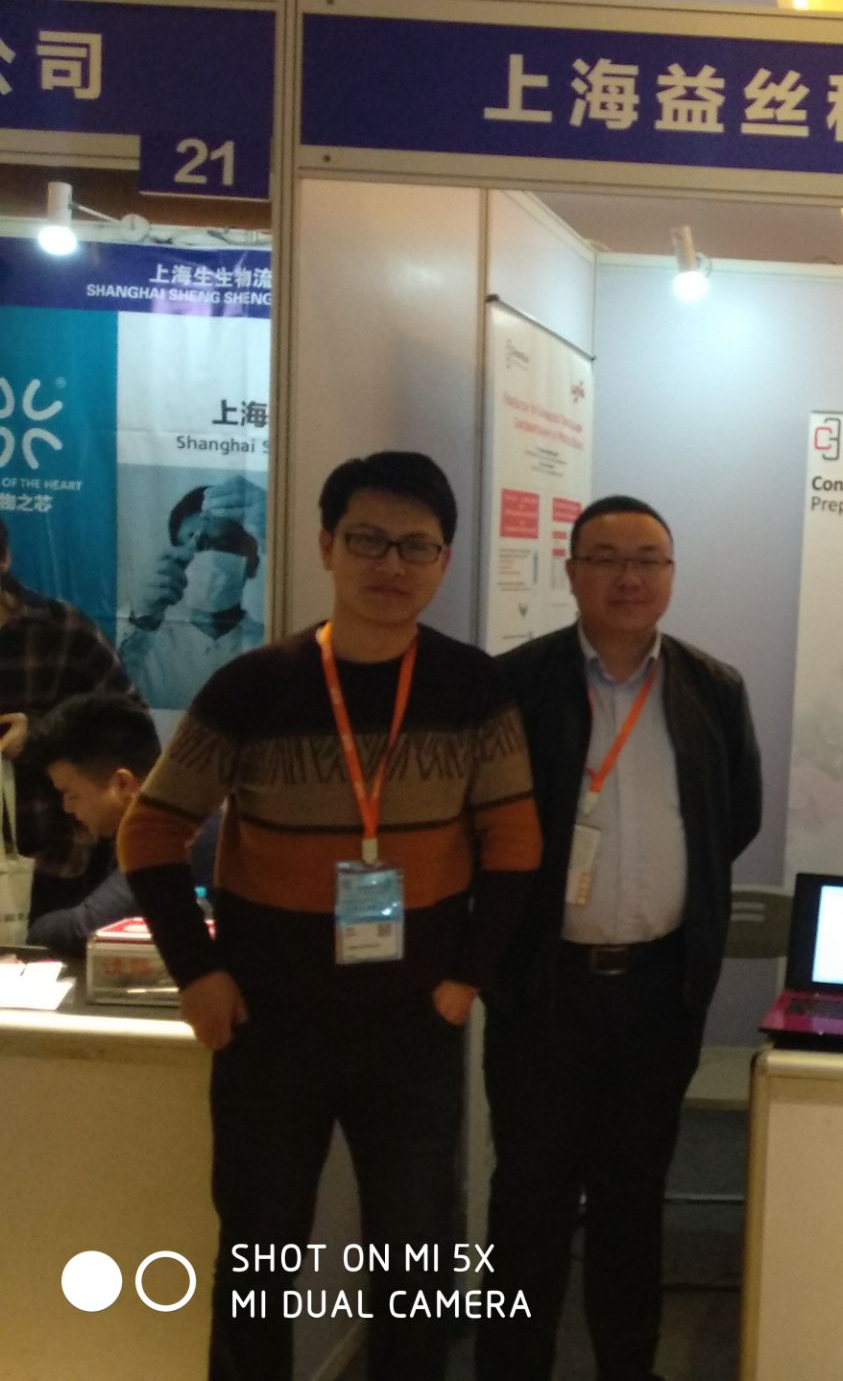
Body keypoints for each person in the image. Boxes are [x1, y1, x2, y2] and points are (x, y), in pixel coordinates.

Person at [119, 452, 543, 1381]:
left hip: (413, 1025)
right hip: (268, 1024)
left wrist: (465, 980)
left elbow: (515, 843)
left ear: (443, 560)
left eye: (416, 546)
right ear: (324, 545)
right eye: (368, 540)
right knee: (259, 1256)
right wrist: (198, 972)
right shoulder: (253, 687)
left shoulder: (473, 688)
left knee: (415, 1262)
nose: (391, 564)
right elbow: (148, 831)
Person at [479, 495, 761, 1381]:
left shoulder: (714, 688)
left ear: (671, 575)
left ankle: (629, 1368)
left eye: (648, 560)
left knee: (633, 1199)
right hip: (543, 990)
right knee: (528, 1201)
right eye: (605, 558)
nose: (628, 577)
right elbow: (480, 827)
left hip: (659, 990)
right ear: (571, 573)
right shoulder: (515, 684)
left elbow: (734, 819)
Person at [0, 515, 140, 919]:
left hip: (52, 857)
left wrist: (37, 734)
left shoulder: (64, 631)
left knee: (51, 949)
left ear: (4, 559)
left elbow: (132, 730)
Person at [21, 692, 217, 956]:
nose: (67, 807)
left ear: (122, 784)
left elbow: (80, 930)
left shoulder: (173, 827)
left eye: (70, 793)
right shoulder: (180, 807)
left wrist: (35, 929)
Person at [121, 475, 268, 709]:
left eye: (223, 544)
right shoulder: (144, 644)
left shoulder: (270, 642)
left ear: (252, 562)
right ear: (174, 558)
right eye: (194, 542)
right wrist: (142, 620)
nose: (207, 556)